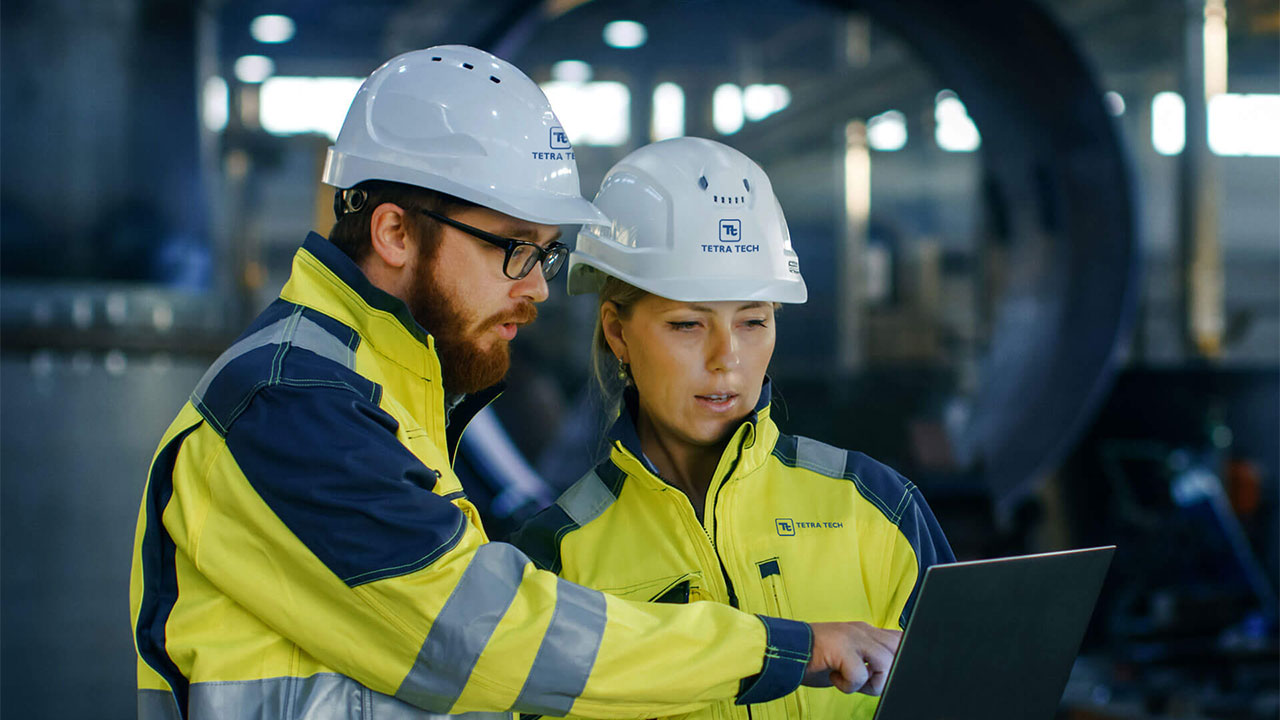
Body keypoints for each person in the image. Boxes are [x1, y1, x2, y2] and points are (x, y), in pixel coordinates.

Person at [130, 46, 910, 720]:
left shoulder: (383, 394)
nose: (537, 288)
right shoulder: (292, 402)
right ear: (395, 232)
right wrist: (783, 649)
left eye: (544, 253)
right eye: (513, 248)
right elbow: (481, 639)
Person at [512, 137, 955, 719]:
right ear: (618, 333)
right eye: (687, 325)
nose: (728, 358)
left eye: (752, 321)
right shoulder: (561, 558)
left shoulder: (878, 509)